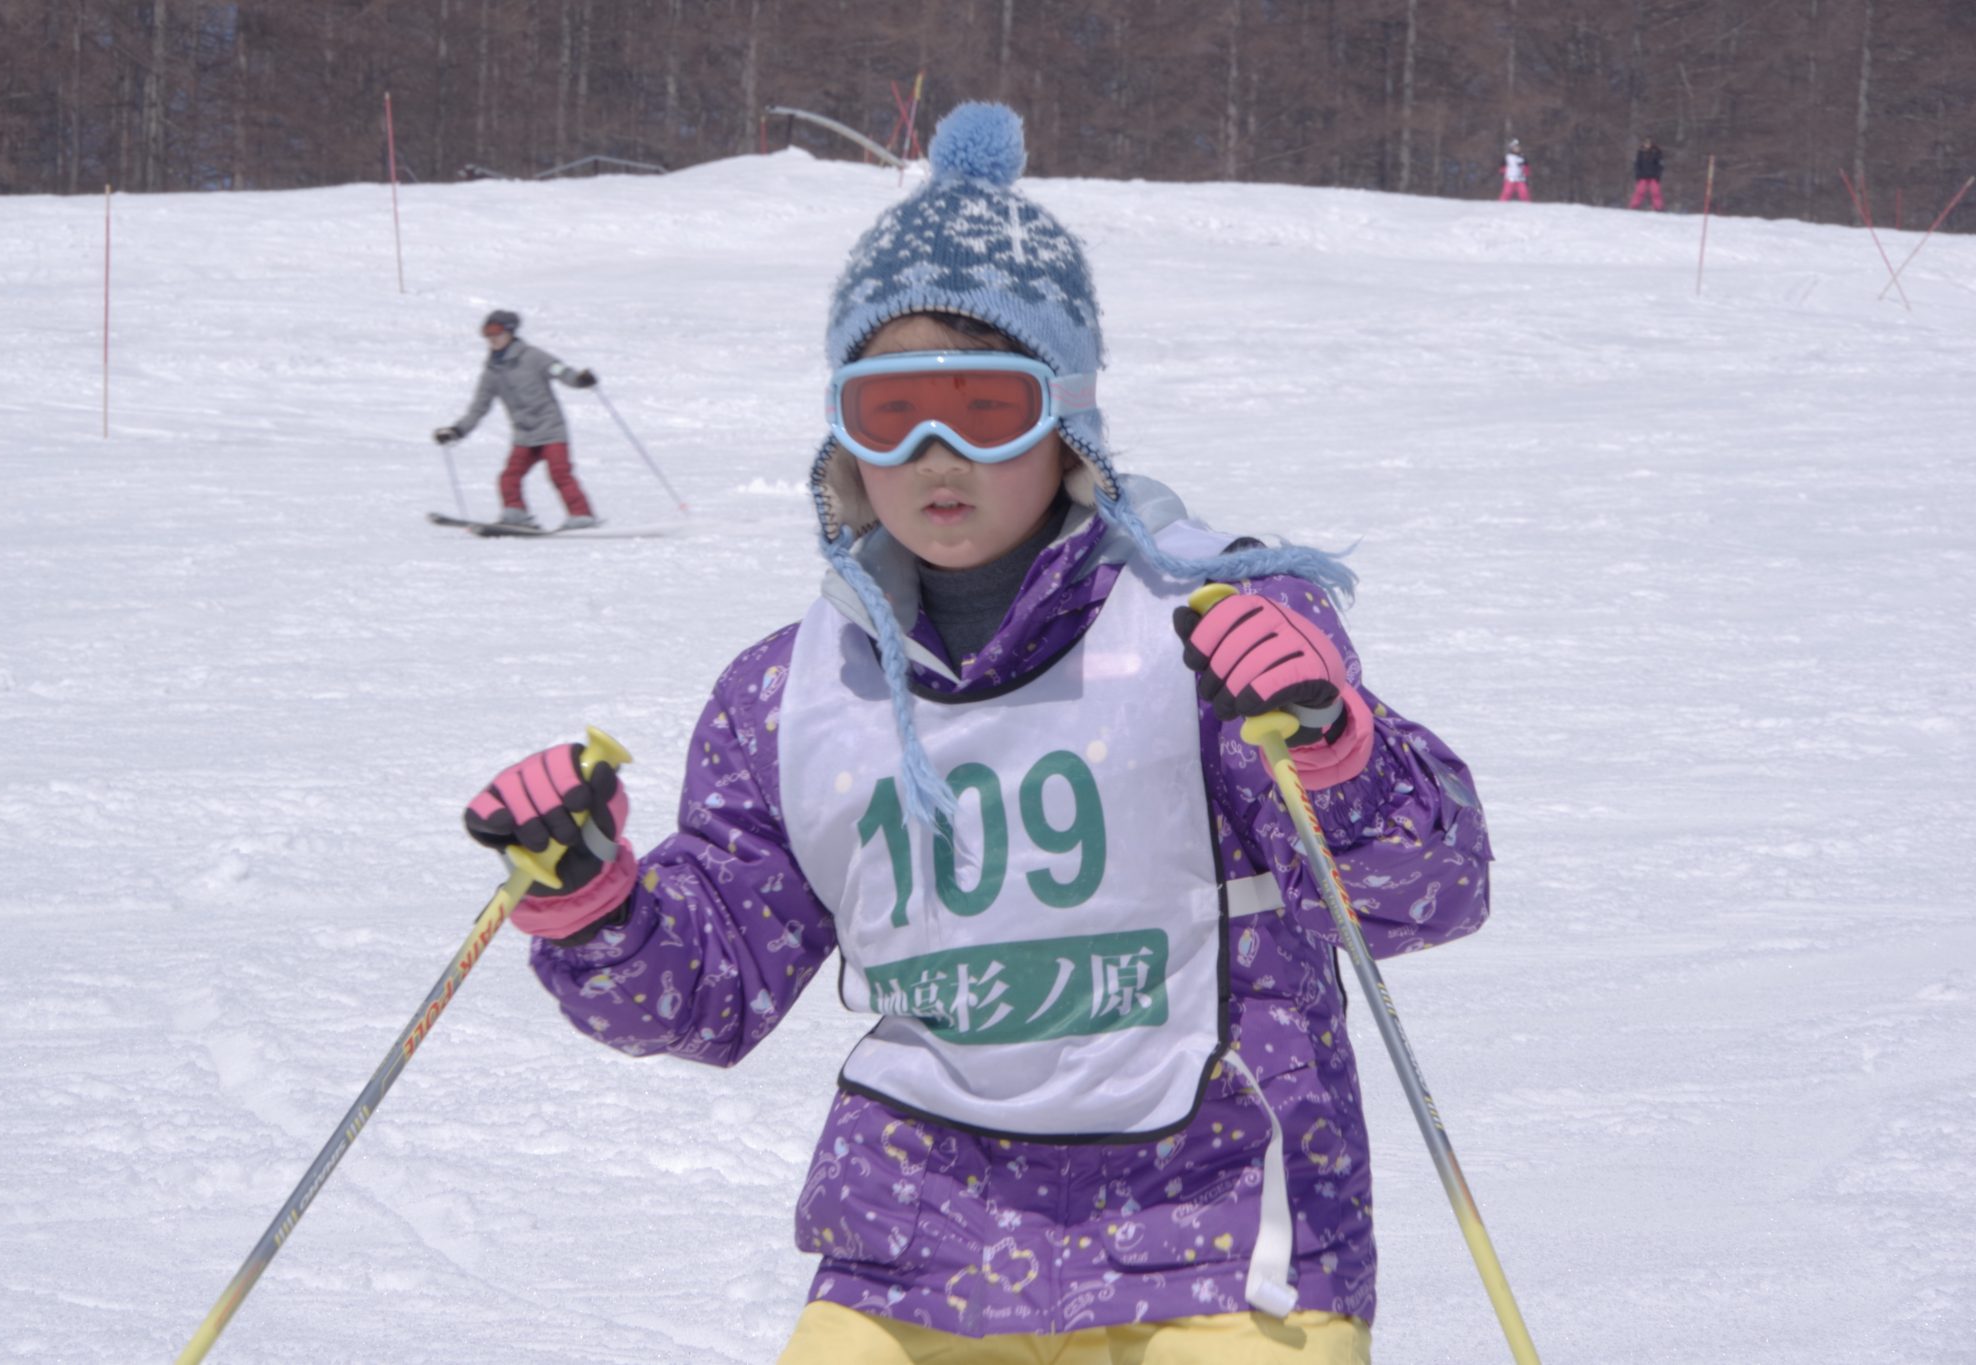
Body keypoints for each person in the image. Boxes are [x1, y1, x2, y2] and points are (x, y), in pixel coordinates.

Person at [462, 103, 1492, 1363]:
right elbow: (710, 990)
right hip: (924, 1245)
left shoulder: (1207, 623)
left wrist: (1332, 749)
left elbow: (1422, 896)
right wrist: (592, 903)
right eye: (888, 413)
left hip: (1220, 1230)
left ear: (1067, 421)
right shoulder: (792, 690)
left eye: (984, 410)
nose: (934, 455)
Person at [432, 310, 600, 530]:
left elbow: (560, 370)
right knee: (509, 477)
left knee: (560, 473)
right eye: (487, 333)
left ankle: (581, 515)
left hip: (551, 430)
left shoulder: (534, 356)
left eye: (497, 332)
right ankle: (516, 514)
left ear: (510, 332)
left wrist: (579, 380)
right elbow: (478, 408)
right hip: (524, 436)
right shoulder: (492, 372)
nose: (492, 338)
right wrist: (457, 431)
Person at [1629, 137, 1665, 210]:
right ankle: (1634, 206)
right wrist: (1638, 174)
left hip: (1653, 177)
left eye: (1648, 143)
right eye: (1645, 143)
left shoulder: (1657, 152)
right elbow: (1637, 164)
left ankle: (1658, 207)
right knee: (1639, 192)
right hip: (1642, 176)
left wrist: (1657, 175)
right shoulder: (1640, 152)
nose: (1647, 144)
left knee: (1655, 192)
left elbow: (1660, 165)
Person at [1499, 138, 1531, 202]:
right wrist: (1503, 172)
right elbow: (1502, 167)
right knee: (1507, 192)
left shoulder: (1522, 157)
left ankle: (1526, 204)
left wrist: (1526, 172)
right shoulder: (1507, 157)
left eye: (1518, 147)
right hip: (1509, 178)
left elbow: (1526, 167)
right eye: (1515, 147)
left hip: (1520, 178)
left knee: (1523, 192)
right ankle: (1502, 203)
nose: (1517, 149)